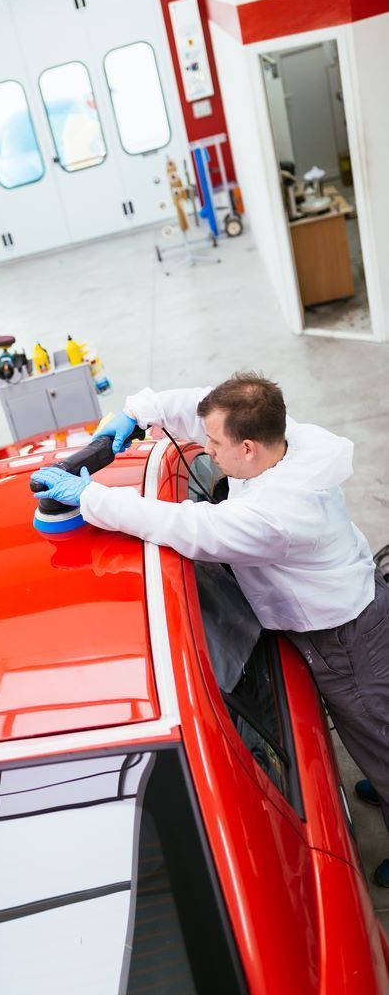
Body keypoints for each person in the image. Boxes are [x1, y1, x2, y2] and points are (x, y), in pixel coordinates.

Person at [31, 372, 389, 884]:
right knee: (373, 727)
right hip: (355, 606)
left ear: (247, 447)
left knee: (377, 727)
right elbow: (203, 411)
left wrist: (89, 498)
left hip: (345, 637)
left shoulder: (277, 515)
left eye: (215, 445)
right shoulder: (281, 439)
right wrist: (142, 411)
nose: (207, 448)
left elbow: (186, 528)